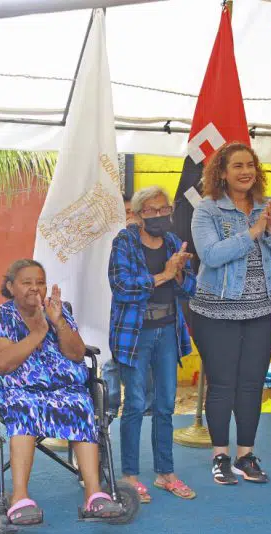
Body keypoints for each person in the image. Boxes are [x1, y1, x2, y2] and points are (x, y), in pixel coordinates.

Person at [0, 259, 123, 524]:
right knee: (25, 407)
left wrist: (58, 322)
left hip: (63, 388)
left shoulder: (56, 311)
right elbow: (0, 364)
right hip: (19, 390)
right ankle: (19, 498)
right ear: (11, 287)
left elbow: (77, 353)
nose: (35, 288)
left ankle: (94, 495)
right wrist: (38, 333)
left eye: (40, 282)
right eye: (26, 282)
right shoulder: (1, 316)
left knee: (81, 404)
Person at [190, 142, 271, 485]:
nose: (246, 171)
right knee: (222, 385)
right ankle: (220, 456)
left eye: (250, 165)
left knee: (252, 385)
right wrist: (252, 232)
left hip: (262, 311)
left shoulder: (270, 207)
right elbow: (211, 255)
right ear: (222, 172)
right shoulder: (207, 210)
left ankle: (245, 456)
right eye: (237, 166)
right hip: (215, 312)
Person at [109, 186, 196, 503]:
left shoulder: (173, 242)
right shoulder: (124, 242)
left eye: (164, 209)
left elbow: (190, 288)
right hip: (134, 333)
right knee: (134, 403)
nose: (160, 216)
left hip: (168, 331)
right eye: (152, 211)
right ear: (137, 214)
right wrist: (163, 275)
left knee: (165, 404)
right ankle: (130, 476)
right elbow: (121, 286)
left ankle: (165, 473)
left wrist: (179, 274)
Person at [102, 192, 155, 417]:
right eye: (125, 213)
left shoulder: (145, 240)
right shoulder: (107, 239)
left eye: (133, 212)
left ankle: (147, 408)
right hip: (109, 307)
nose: (130, 217)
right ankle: (109, 407)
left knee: (144, 360)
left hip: (137, 310)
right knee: (111, 359)